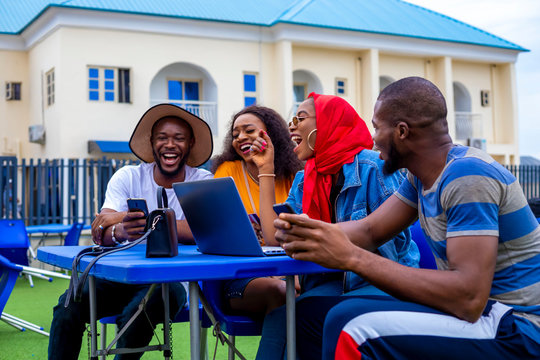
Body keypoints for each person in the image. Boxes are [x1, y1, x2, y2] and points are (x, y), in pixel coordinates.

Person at [275, 77, 540, 359]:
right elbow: (369, 230)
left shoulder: (467, 176)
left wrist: (351, 257)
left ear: (401, 132)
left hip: (516, 325)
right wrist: (311, 234)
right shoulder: (420, 178)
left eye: (377, 128)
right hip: (483, 315)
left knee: (352, 327)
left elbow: (469, 298)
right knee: (318, 315)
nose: (373, 138)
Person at [255, 93, 419, 359]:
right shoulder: (305, 177)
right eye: (291, 119)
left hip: (381, 278)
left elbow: (393, 243)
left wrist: (322, 237)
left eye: (301, 117)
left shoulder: (373, 167)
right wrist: (266, 168)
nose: (292, 125)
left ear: (329, 123)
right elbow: (274, 238)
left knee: (306, 315)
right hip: (330, 280)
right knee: (281, 315)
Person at [48, 103, 214, 360]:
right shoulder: (128, 176)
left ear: (190, 143)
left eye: (179, 138)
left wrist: (142, 221)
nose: (170, 144)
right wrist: (121, 230)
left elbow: (204, 229)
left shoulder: (202, 181)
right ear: (152, 143)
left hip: (171, 281)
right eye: (162, 138)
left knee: (142, 309)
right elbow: (100, 230)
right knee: (68, 305)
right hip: (120, 276)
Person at [211, 105, 302, 316]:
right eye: (235, 134)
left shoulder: (294, 176)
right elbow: (219, 236)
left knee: (299, 293)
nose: (241, 137)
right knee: (281, 291)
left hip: (290, 271)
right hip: (241, 276)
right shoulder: (227, 172)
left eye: (249, 131)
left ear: (271, 135)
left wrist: (265, 169)